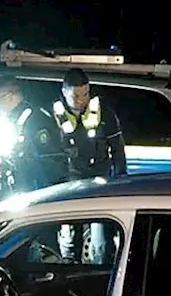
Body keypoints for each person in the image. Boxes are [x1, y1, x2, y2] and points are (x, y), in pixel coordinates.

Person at [51, 68, 127, 264]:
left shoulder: (105, 113)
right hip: (68, 185)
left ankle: (100, 279)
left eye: (85, 93)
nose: (81, 99)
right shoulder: (52, 115)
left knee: (101, 240)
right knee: (69, 238)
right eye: (75, 95)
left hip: (98, 183)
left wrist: (121, 181)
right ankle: (69, 276)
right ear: (64, 91)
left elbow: (118, 151)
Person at [0, 75, 67, 208]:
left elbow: (49, 162)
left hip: (36, 196)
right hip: (19, 192)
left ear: (9, 96)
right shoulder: (9, 121)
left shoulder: (35, 120)